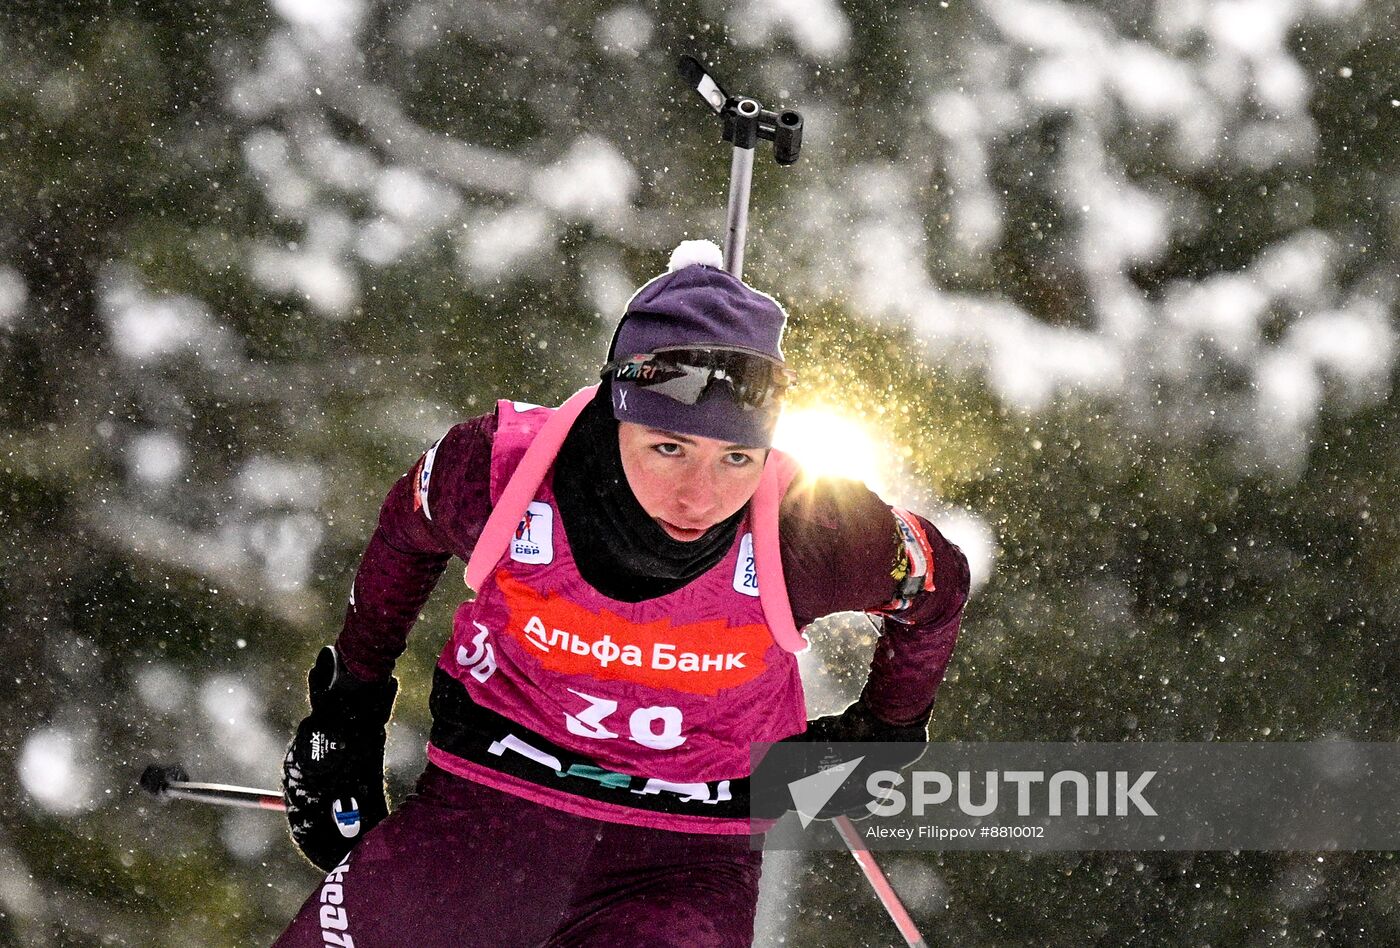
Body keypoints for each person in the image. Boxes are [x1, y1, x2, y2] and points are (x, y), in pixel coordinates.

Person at [273, 241, 969, 947]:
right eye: (669, 448)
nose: (700, 495)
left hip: (688, 855)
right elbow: (405, 528)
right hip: (486, 802)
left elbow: (940, 584)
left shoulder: (813, 531)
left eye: (737, 459)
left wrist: (883, 732)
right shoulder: (500, 471)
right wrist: (349, 704)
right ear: (618, 409)